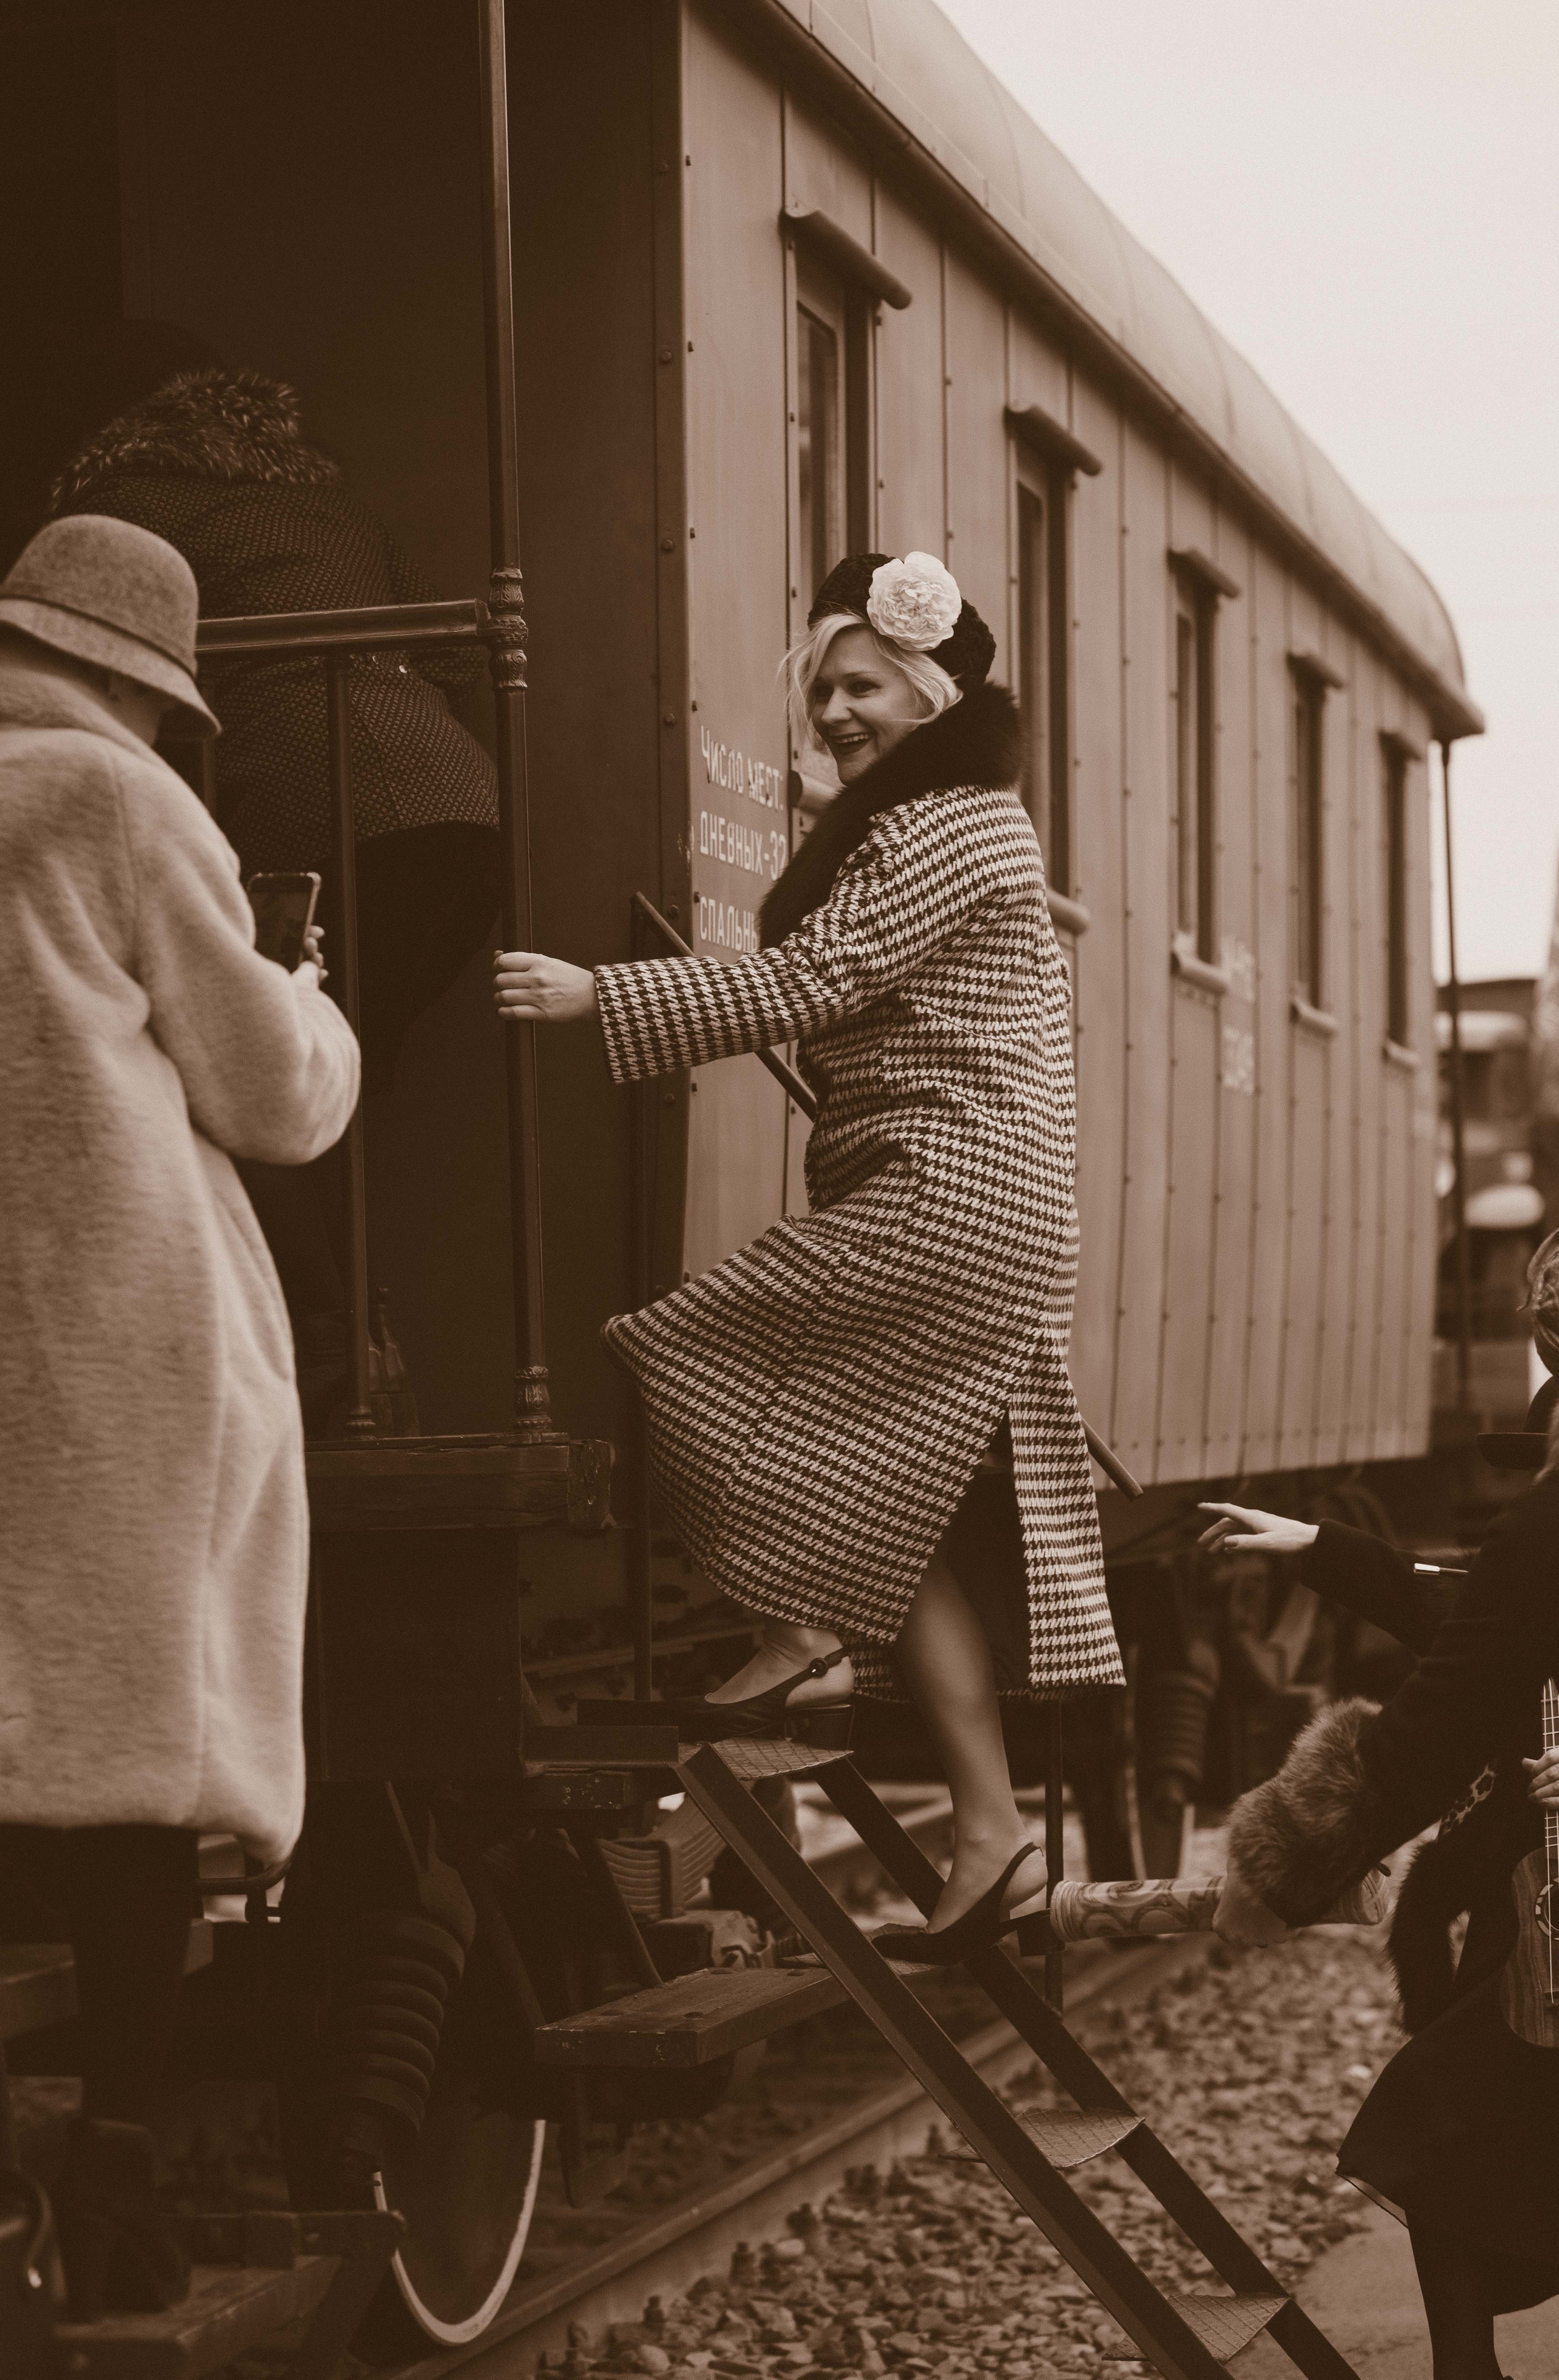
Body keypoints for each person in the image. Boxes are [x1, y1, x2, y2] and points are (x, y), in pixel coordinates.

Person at [495, 550, 1123, 1959]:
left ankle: (800, 1628)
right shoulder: (939, 821)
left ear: (930, 694)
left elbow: (815, 978)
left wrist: (600, 995)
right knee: (905, 1522)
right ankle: (992, 1835)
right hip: (976, 1194)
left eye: (862, 687)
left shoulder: (954, 823)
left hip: (950, 1190)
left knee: (677, 1350)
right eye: (823, 690)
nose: (834, 711)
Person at [0, 515, 361, 2315]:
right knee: (130, 1753)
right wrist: (311, 997)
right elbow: (272, 1094)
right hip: (104, 1328)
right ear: (138, 682)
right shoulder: (119, 801)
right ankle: (119, 2177)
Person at [48, 355, 501, 1421]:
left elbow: (83, 641)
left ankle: (334, 1358)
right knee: (315, 1082)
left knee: (248, 1079)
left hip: (311, 807)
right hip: (459, 815)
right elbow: (451, 665)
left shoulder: (127, 507)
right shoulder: (332, 504)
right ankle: (362, 1347)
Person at [1198, 1215, 1559, 2380]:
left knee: (1435, 2130)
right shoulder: (1554, 1524)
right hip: (1552, 1890)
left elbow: (1438, 1712)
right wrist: (1318, 1543)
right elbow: (1483, 1607)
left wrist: (1278, 1867)